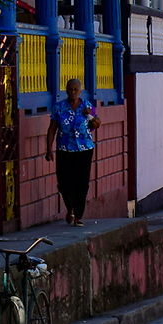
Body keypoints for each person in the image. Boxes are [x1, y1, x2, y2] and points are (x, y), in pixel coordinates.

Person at [45, 78, 100, 226]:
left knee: (81, 183)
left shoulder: (88, 105)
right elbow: (52, 128)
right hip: (65, 150)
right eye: (70, 89)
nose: (73, 92)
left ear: (80, 91)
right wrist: (48, 149)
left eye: (76, 89)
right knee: (64, 183)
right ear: (66, 90)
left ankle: (78, 215)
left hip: (84, 150)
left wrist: (89, 115)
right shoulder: (59, 107)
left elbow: (97, 123)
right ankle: (70, 209)